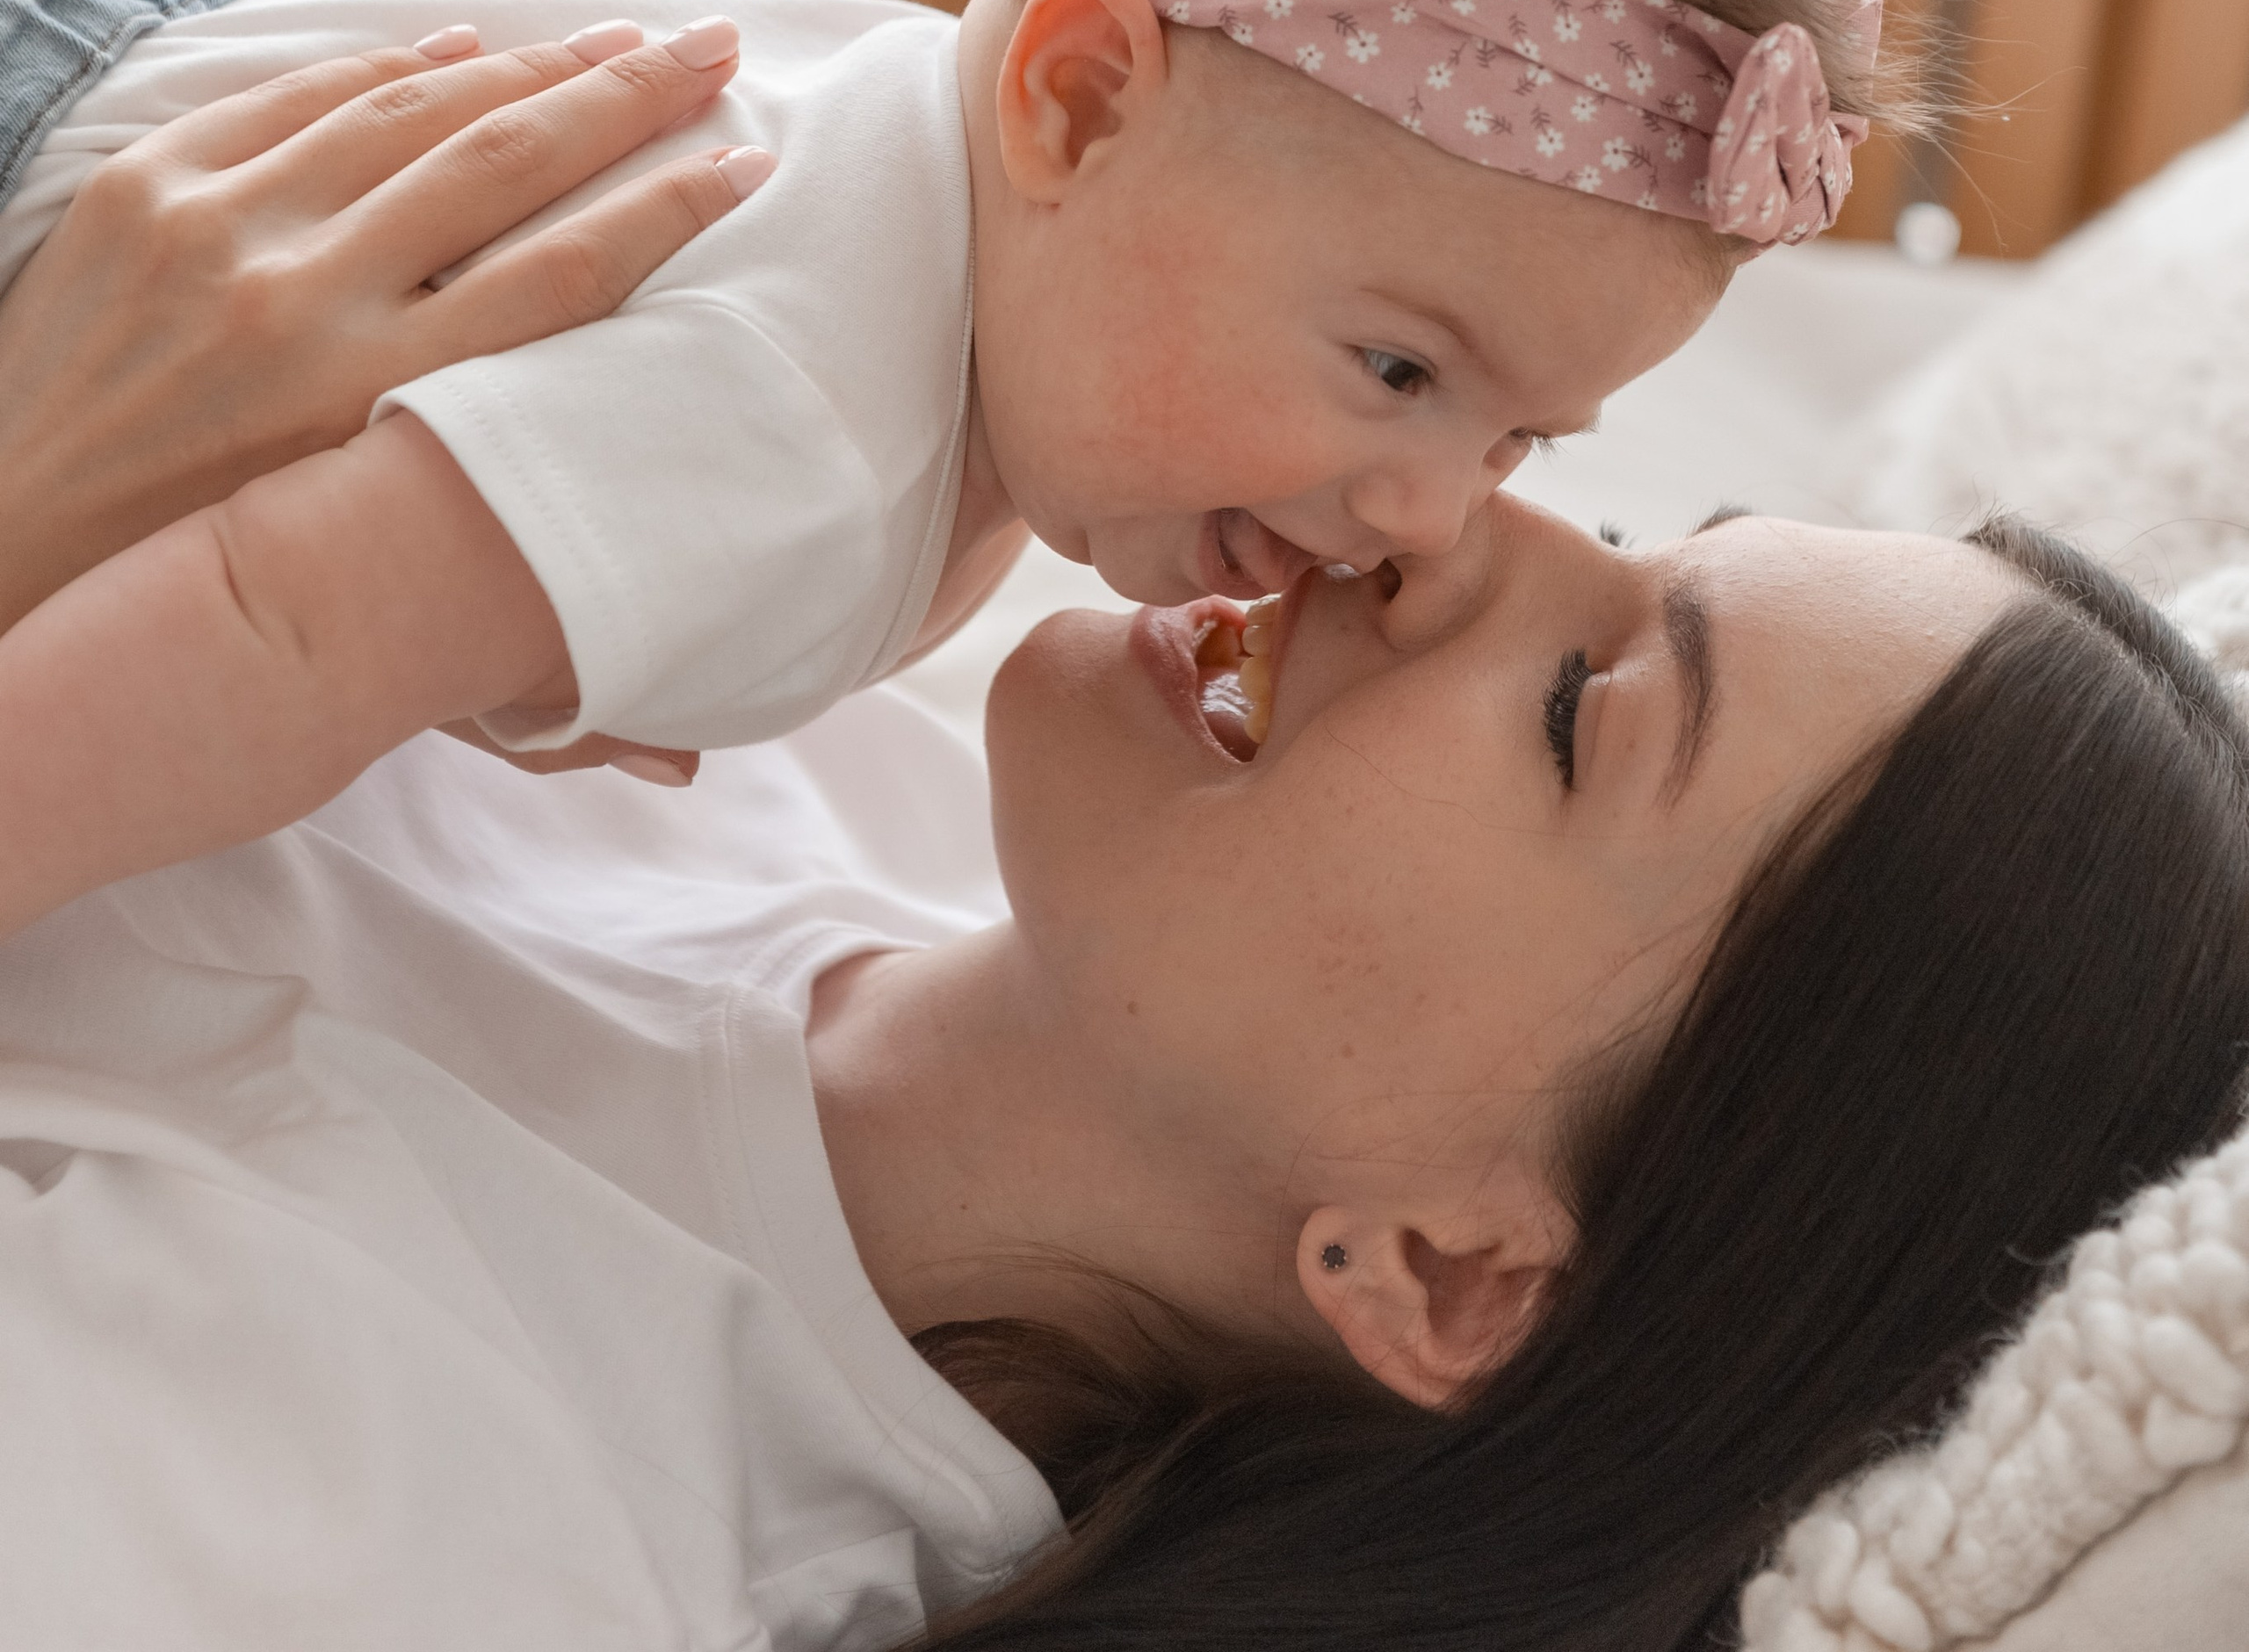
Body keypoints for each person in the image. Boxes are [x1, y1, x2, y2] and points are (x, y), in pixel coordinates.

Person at [0, 0, 1943, 926]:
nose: (1433, 513)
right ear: (1076, 99)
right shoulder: (806, 431)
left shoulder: (942, 221)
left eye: (1516, 433)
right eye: (1395, 365)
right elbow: (270, 621)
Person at [0, 477, 2239, 1652]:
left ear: (1451, 1270)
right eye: (1639, 524)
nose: (1451, 517)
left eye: (1583, 710)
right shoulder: (848, 660)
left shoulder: (458, 1537)